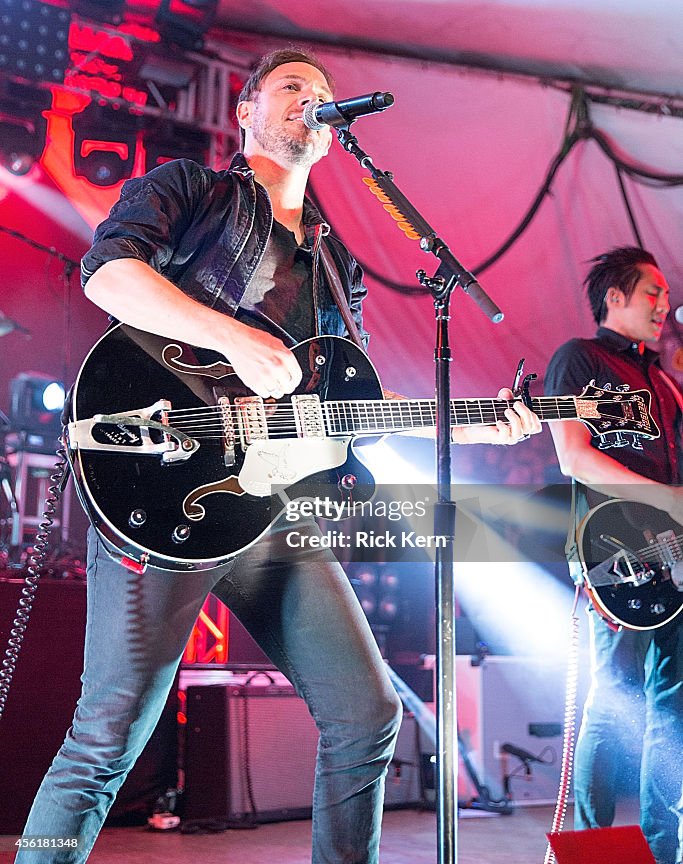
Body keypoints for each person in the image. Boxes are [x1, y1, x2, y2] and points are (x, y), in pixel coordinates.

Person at [17, 48, 540, 863]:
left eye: (323, 94)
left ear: (335, 136)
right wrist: (237, 342)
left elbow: (352, 409)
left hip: (268, 511)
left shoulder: (336, 265)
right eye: (294, 87)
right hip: (161, 491)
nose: (313, 100)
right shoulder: (193, 190)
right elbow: (107, 275)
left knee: (367, 714)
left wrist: (475, 424)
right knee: (108, 734)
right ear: (246, 111)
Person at [544, 246, 683, 864]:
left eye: (665, 294)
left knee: (673, 706)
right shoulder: (579, 359)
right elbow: (573, 457)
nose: (664, 303)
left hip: (673, 557)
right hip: (614, 552)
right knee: (614, 693)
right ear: (615, 299)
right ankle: (593, 848)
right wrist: (667, 500)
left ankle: (665, 847)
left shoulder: (667, 383)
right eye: (651, 292)